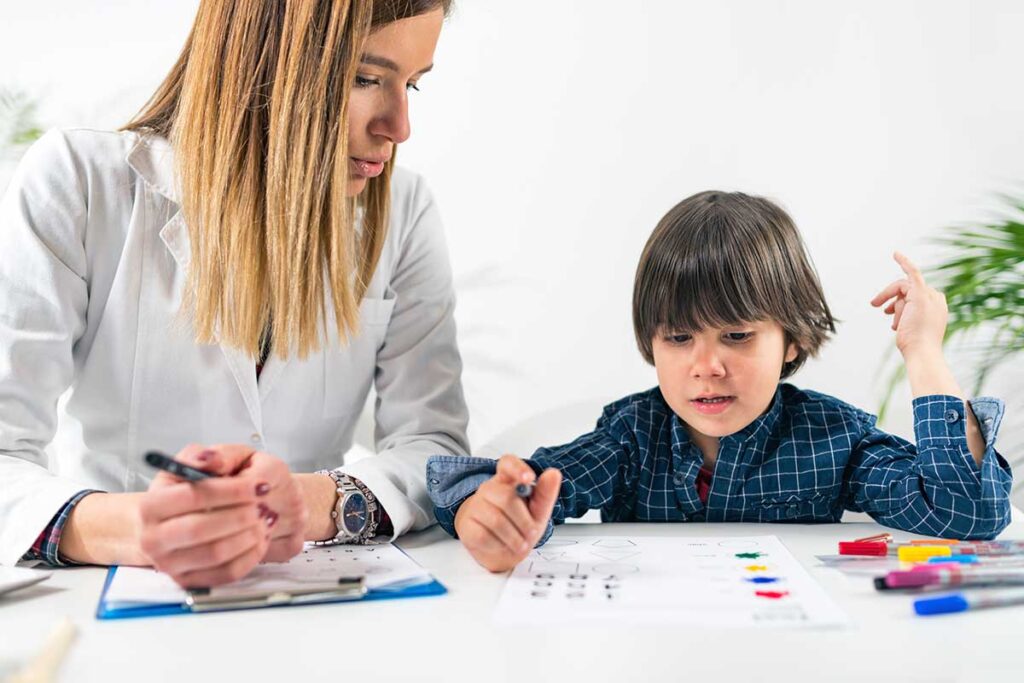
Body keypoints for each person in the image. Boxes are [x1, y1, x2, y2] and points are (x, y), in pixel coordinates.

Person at [0, 0, 468, 588]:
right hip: (117, 599)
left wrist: (315, 504)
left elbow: (436, 447)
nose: (398, 127)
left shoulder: (403, 212)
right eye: (364, 78)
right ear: (263, 62)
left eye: (413, 85)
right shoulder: (79, 181)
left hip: (319, 595)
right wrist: (138, 526)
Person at [427, 190, 1013, 572]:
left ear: (793, 341)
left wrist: (924, 353)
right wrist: (497, 512)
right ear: (650, 345)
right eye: (678, 338)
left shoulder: (837, 440)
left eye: (737, 336)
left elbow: (966, 512)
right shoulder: (630, 437)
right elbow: (533, 490)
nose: (706, 365)